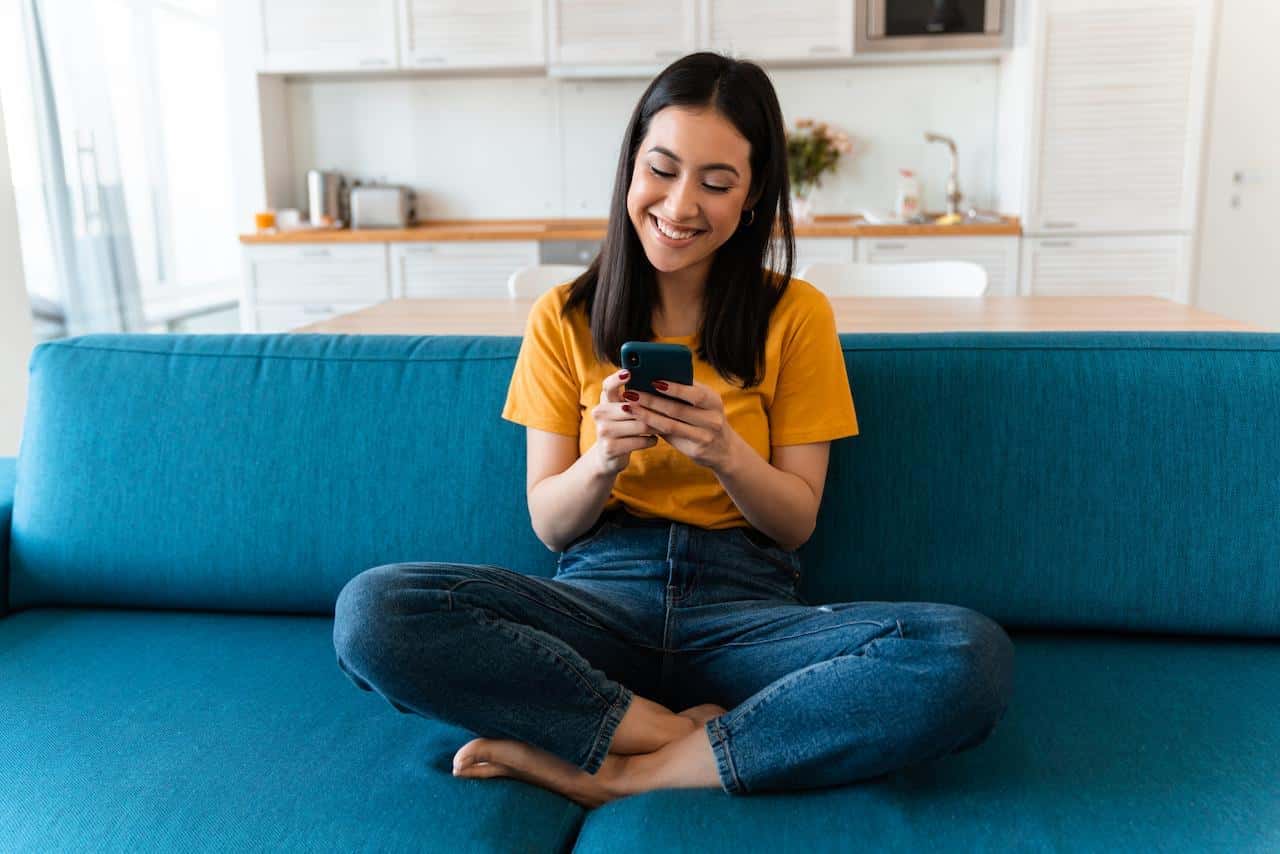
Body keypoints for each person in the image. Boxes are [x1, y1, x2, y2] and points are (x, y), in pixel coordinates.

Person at [333, 51, 1014, 810]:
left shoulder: (797, 316)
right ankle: (664, 731)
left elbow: (794, 522)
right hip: (598, 600)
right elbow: (550, 525)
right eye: (662, 169)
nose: (681, 205)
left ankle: (625, 770)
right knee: (374, 612)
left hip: (747, 612)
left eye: (717, 183)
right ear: (630, 170)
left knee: (965, 656)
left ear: (752, 199)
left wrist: (726, 453)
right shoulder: (562, 317)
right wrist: (599, 462)